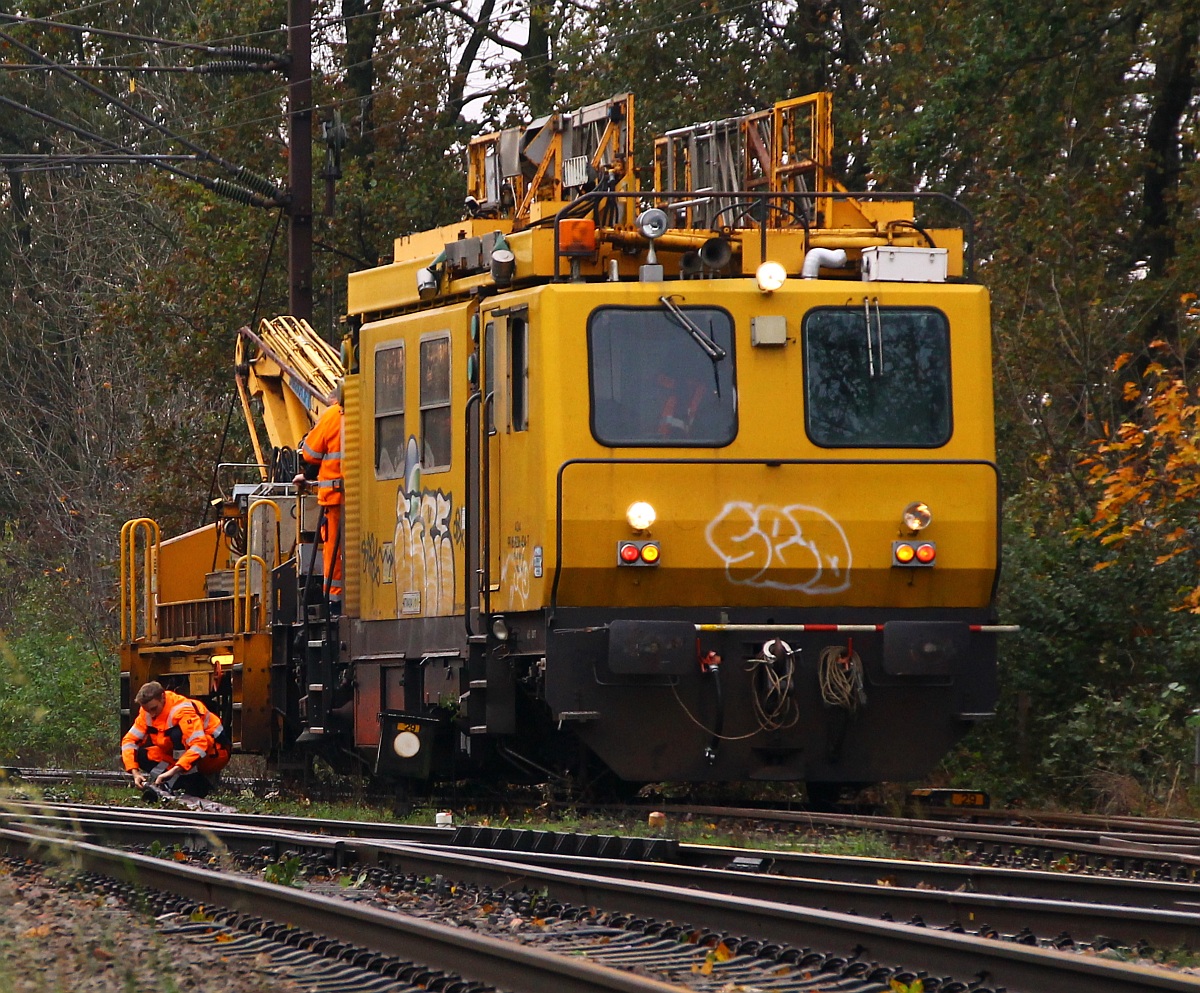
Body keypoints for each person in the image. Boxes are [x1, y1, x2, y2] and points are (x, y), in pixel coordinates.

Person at [121, 681, 230, 797]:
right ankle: (172, 784)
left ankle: (194, 786)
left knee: (177, 734)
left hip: (215, 753)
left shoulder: (182, 710)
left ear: (163, 697)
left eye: (154, 709)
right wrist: (135, 772)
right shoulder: (146, 712)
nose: (151, 714)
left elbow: (199, 744)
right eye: (148, 710)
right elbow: (129, 741)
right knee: (140, 755)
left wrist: (173, 771)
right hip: (179, 756)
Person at [293, 394, 345, 612]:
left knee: (335, 550)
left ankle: (334, 603)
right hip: (362, 496)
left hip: (337, 499)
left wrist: (307, 475)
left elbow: (310, 452)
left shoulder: (334, 415)